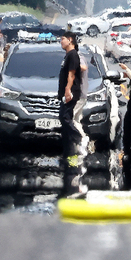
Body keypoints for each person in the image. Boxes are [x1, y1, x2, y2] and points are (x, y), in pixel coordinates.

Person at [58, 32, 83, 164]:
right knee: (63, 118)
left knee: (65, 118)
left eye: (62, 39)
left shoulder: (73, 55)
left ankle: (79, 139)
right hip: (66, 93)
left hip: (71, 93)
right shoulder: (68, 55)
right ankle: (69, 152)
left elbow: (72, 74)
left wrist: (68, 90)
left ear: (70, 40)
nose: (61, 42)